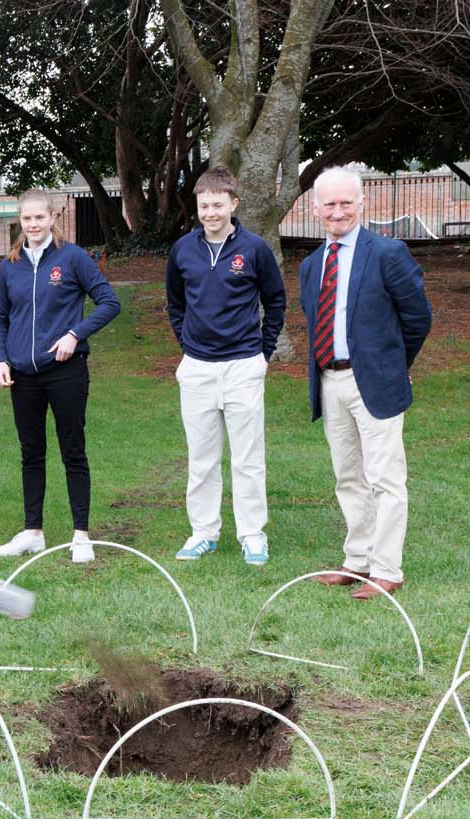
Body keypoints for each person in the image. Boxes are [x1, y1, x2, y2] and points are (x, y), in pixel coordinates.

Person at [300, 166, 432, 600]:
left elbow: (418, 318)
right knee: (348, 477)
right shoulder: (311, 265)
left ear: (362, 203)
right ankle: (357, 560)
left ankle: (387, 570)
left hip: (374, 382)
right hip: (329, 381)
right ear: (315, 208)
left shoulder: (388, 253)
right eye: (329, 204)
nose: (338, 211)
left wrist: (391, 365)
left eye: (346, 202)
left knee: (385, 480)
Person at [164, 167, 286, 566]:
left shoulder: (254, 249)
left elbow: (276, 301)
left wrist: (263, 353)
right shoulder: (183, 250)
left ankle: (253, 534)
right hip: (197, 368)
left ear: (234, 203)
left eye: (218, 205)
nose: (210, 213)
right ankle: (203, 532)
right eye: (204, 206)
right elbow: (176, 303)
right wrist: (188, 345)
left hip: (243, 366)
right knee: (201, 459)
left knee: (248, 458)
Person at [0, 189, 120, 563]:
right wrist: (1, 359)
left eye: (39, 218)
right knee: (31, 453)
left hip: (66, 373)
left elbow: (110, 302)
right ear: (20, 220)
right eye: (26, 218)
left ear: (52, 218)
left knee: (72, 451)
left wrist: (75, 334)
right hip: (22, 376)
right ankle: (33, 532)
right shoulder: (10, 265)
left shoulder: (73, 258)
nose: (33, 224)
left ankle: (81, 535)